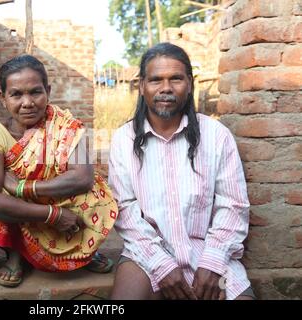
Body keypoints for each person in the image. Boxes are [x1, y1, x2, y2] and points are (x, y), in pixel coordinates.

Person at [108, 43, 254, 300]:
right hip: (146, 256)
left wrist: (213, 261)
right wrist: (161, 264)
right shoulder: (124, 139)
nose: (166, 87)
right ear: (142, 86)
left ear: (189, 83)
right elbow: (124, 210)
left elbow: (233, 205)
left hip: (209, 253)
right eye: (156, 80)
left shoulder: (216, 136)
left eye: (176, 78)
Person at [0, 54, 118, 287]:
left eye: (35, 92)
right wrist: (53, 215)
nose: (28, 102)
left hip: (68, 207)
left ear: (47, 91)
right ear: (3, 98)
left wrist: (23, 186)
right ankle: (16, 256)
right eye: (16, 94)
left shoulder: (66, 125)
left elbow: (83, 177)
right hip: (33, 215)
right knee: (3, 194)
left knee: (93, 191)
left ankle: (83, 251)